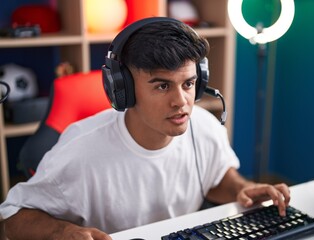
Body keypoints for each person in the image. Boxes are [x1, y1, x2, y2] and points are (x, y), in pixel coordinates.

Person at [0, 17, 290, 240]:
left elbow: (215, 177)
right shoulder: (80, 151)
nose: (182, 102)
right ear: (123, 89)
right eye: (162, 85)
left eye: (188, 84)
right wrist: (62, 232)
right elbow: (11, 217)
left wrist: (243, 189)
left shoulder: (203, 126)